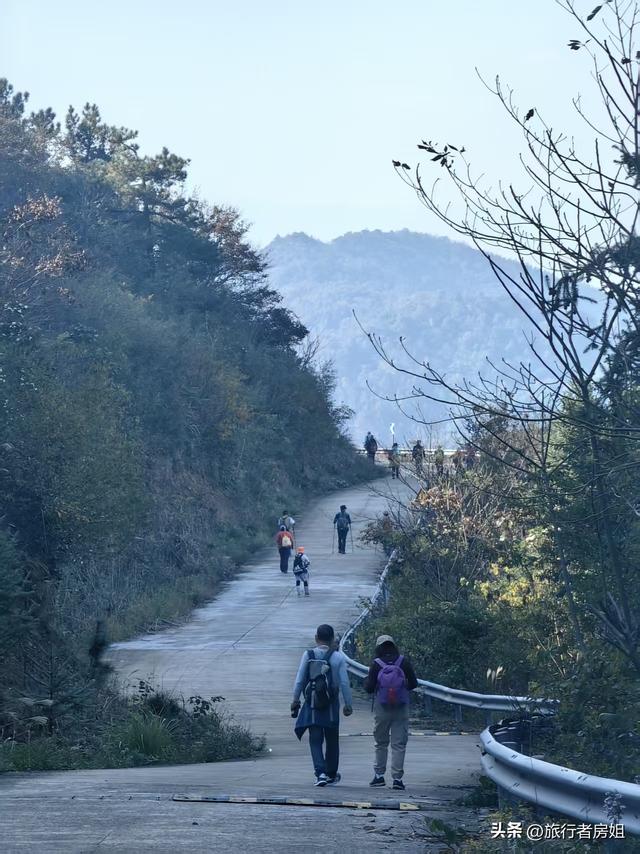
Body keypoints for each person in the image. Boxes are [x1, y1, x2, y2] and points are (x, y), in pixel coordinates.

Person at [291, 623, 353, 786]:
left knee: (315, 739)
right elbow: (344, 683)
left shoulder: (309, 655)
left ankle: (320, 774)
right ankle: (331, 773)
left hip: (312, 704)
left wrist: (295, 699)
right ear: (332, 639)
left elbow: (299, 679)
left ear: (316, 638)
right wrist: (348, 703)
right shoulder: (338, 657)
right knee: (332, 739)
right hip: (331, 705)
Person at [364, 634, 418, 790]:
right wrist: (400, 690)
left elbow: (368, 688)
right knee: (399, 744)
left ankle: (379, 776)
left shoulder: (377, 664)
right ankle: (397, 779)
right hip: (401, 707)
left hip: (382, 708)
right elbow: (414, 683)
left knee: (380, 743)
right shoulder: (403, 661)